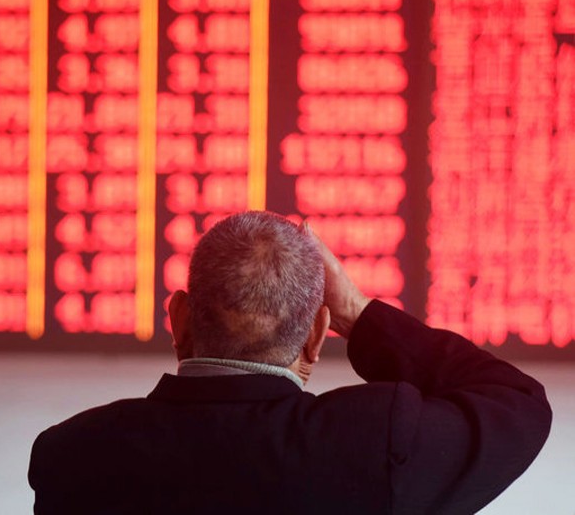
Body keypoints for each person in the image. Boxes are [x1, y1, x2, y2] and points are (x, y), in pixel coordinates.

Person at [28, 211, 552, 514]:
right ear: (317, 336)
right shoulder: (373, 442)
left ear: (178, 318)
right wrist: (358, 314)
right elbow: (518, 403)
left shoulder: (71, 456)